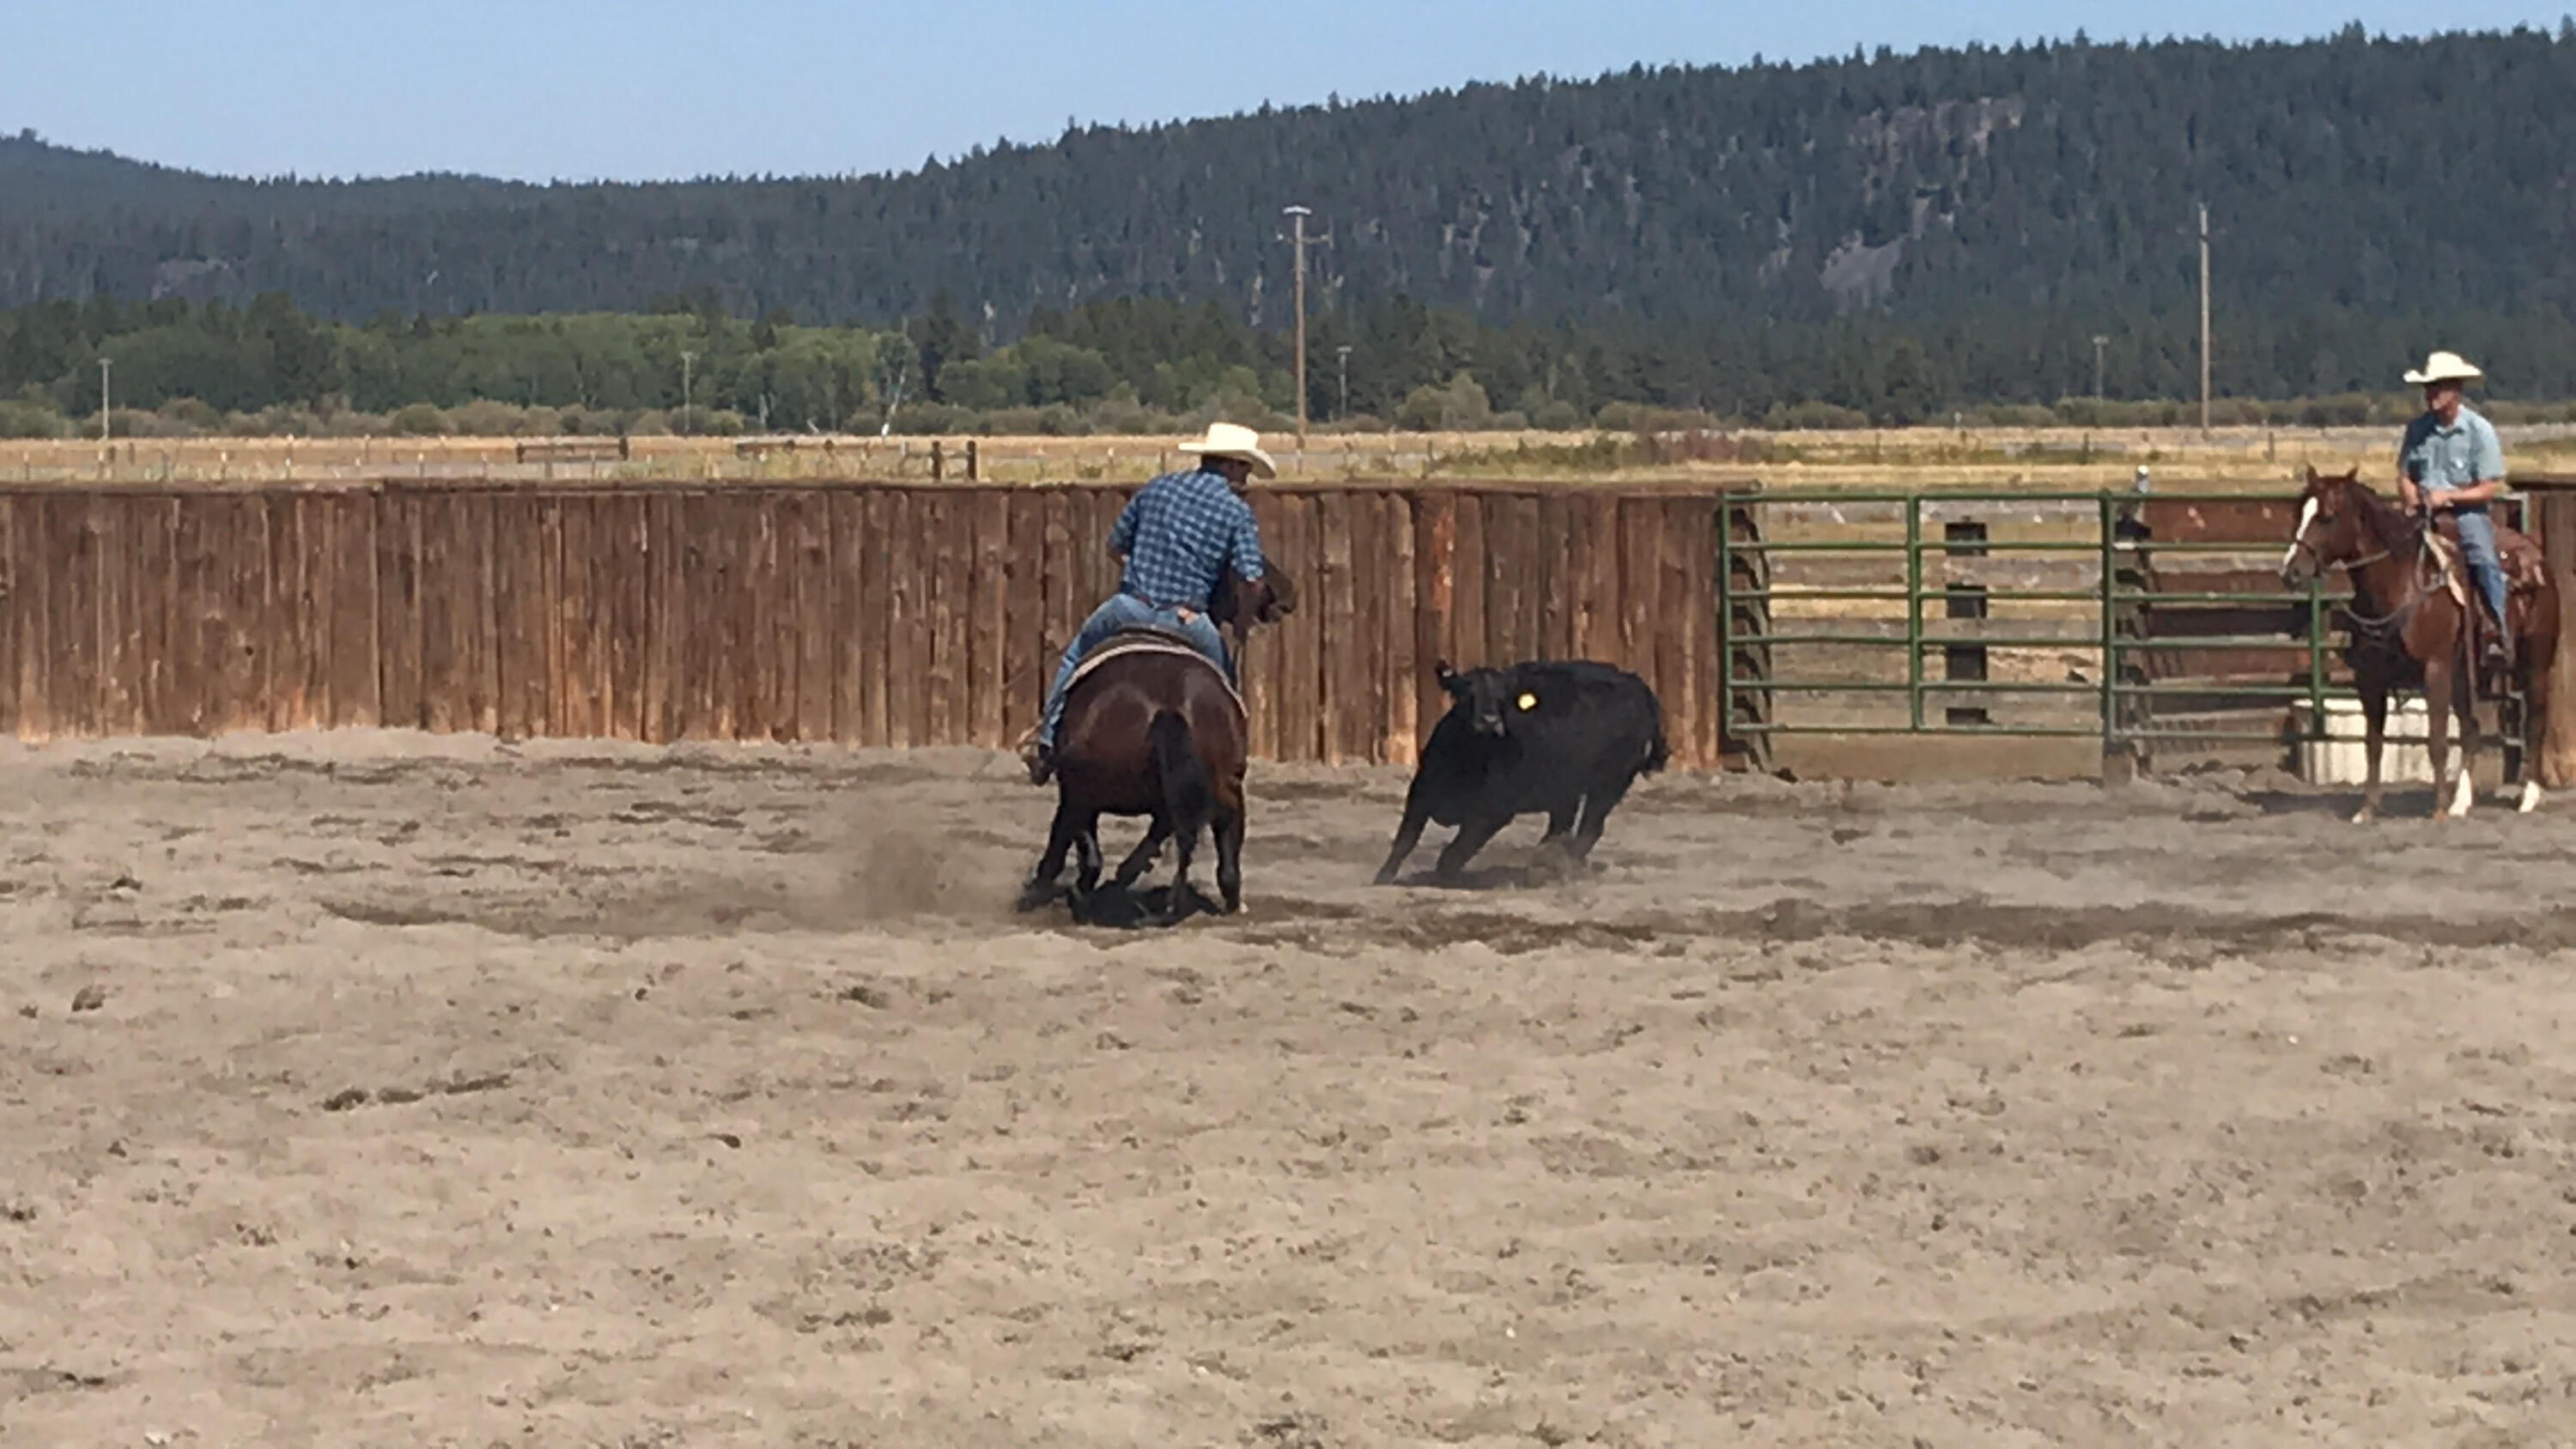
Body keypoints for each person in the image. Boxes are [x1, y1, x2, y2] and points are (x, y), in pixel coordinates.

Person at [1018, 421, 1273, 785]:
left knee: (1075, 658)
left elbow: (1115, 546)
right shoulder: (1235, 511)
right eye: (1245, 468)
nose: (1246, 478)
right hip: (1189, 619)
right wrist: (1244, 621)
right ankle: (1231, 764)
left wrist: (1140, 572)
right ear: (1231, 465)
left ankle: (1045, 744)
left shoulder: (1158, 488)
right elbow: (1252, 577)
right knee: (1225, 687)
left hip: (1130, 607)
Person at [2396, 349, 2512, 675]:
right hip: (2423, 512)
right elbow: (2405, 473)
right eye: (2429, 388)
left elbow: (2490, 487)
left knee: (2483, 558)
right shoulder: (2417, 430)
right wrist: (2410, 497)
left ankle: (2494, 627)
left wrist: (2450, 496)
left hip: (2466, 514)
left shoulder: (2479, 431)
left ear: (2456, 390)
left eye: (2439, 387)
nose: (2431, 395)